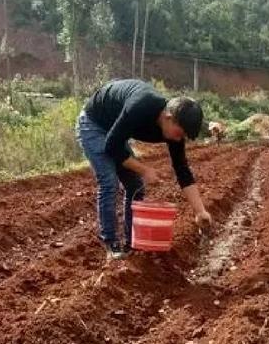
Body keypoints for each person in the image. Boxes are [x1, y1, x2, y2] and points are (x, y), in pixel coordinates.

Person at [76, 79, 212, 260]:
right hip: (94, 123)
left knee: (134, 184)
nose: (179, 140)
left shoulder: (173, 132)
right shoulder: (141, 106)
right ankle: (111, 245)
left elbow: (182, 169)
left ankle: (131, 244)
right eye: (180, 134)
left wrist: (200, 211)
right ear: (168, 117)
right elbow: (111, 147)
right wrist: (144, 169)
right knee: (109, 182)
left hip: (115, 130)